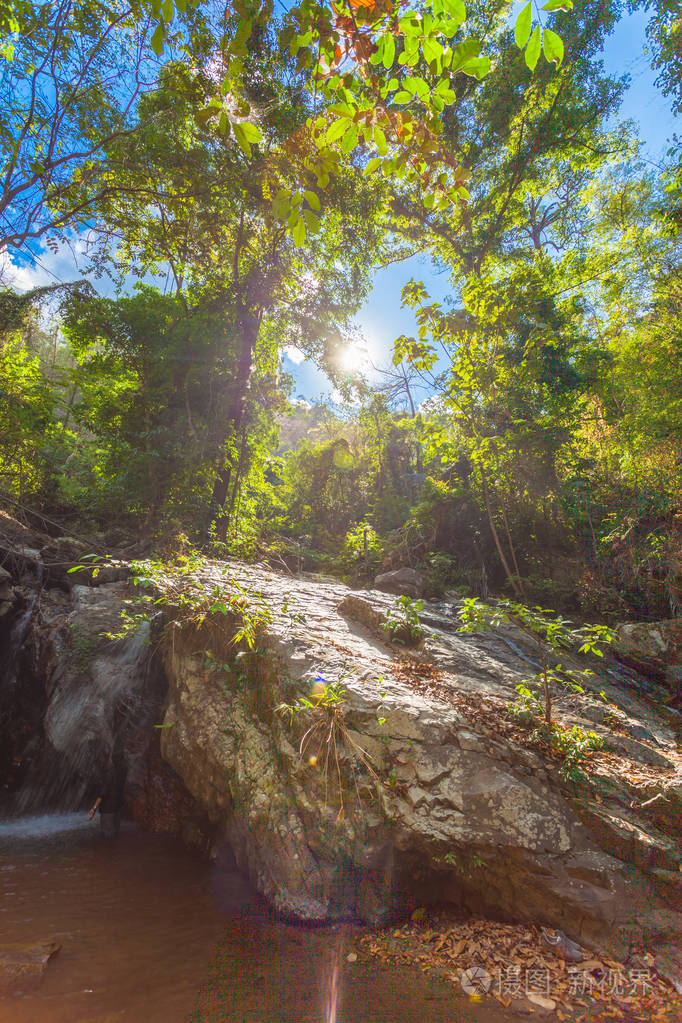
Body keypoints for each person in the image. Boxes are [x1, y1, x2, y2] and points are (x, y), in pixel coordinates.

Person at [88, 750, 126, 837]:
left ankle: (109, 849)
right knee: (115, 834)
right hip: (117, 808)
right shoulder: (121, 771)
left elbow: (103, 792)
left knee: (108, 835)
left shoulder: (107, 773)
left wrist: (93, 809)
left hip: (108, 810)